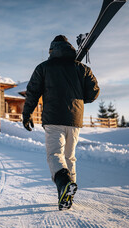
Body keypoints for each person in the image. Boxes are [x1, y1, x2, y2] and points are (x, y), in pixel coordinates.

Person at [22, 35, 100, 210]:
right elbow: (93, 93)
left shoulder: (43, 68)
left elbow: (32, 93)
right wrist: (78, 100)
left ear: (51, 50)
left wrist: (26, 115)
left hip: (53, 119)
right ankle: (66, 195)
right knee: (69, 157)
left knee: (55, 155)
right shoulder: (82, 68)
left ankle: (64, 183)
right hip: (74, 120)